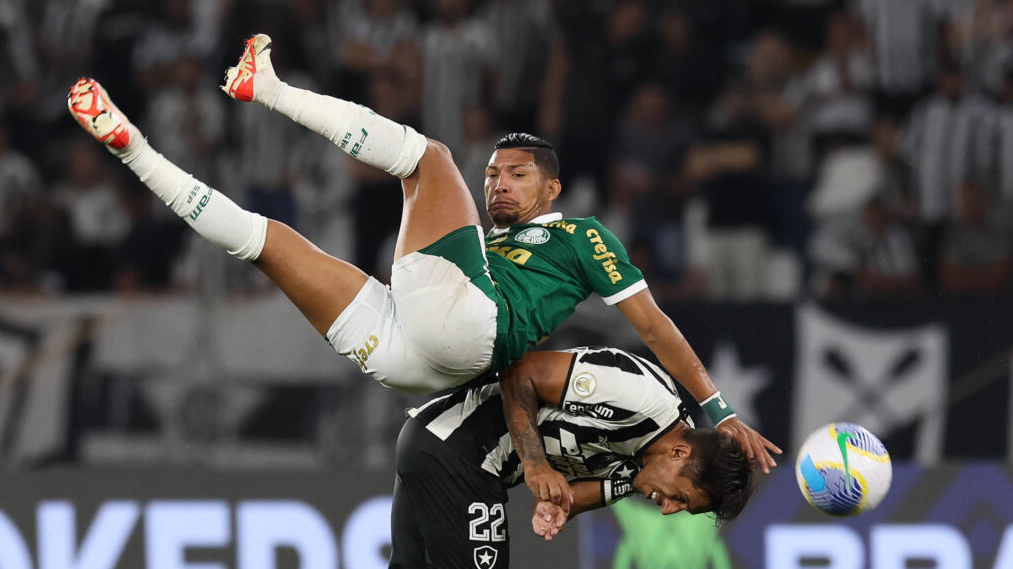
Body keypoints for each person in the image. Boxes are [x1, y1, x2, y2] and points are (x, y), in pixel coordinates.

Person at [67, 33, 779, 475]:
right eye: (493, 172)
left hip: (464, 332)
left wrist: (717, 409)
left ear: (553, 187)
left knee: (428, 158)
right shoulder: (480, 245)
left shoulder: (580, 237)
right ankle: (134, 148)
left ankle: (269, 88)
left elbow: (652, 324)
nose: (497, 182)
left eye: (517, 174)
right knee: (266, 241)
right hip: (416, 369)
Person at [393, 346, 756, 568]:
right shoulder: (640, 396)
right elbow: (522, 372)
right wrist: (536, 466)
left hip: (438, 450)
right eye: (680, 498)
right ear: (680, 453)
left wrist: (560, 506)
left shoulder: (650, 468)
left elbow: (587, 495)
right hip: (457, 451)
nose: (666, 509)